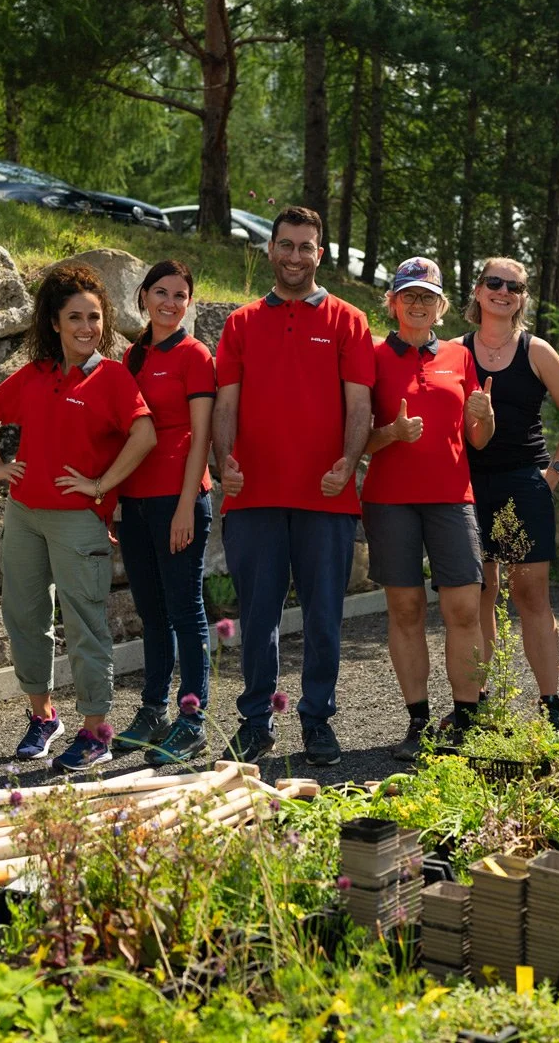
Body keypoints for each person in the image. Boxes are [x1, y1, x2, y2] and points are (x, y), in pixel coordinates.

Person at [0, 262, 155, 773]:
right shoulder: (36, 375)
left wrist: (100, 485)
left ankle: (97, 733)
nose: (86, 327)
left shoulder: (113, 378)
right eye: (75, 317)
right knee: (24, 618)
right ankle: (43, 717)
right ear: (55, 322)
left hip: (79, 519)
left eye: (94, 318)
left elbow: (145, 434)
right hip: (24, 514)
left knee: (85, 627)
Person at [212, 205, 374, 766]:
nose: (295, 256)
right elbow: (224, 405)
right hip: (252, 494)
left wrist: (348, 463)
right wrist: (223, 459)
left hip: (326, 496)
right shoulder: (241, 323)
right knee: (258, 618)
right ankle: (256, 722)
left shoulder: (349, 321)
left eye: (306, 247)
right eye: (286, 245)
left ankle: (317, 721)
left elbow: (360, 405)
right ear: (270, 249)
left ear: (320, 254)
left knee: (324, 616)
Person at [364, 257, 496, 760]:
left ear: (441, 306)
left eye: (427, 296)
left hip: (451, 498)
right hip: (390, 501)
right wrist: (391, 434)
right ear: (393, 302)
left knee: (464, 608)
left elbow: (477, 440)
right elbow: (358, 443)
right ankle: (418, 722)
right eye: (408, 295)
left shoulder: (462, 358)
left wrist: (484, 419)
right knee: (406, 609)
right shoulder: (373, 357)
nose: (418, 304)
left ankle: (467, 720)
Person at [457, 257, 559, 728]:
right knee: (478, 594)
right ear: (477, 290)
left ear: (523, 297)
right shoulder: (454, 351)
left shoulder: (537, 351)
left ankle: (550, 701)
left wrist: (552, 473)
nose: (503, 292)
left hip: (521, 483)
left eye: (514, 287)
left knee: (531, 594)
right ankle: (482, 698)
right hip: (467, 487)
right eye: (494, 283)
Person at [112, 260, 217, 766]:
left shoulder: (195, 356)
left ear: (189, 303)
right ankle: (152, 710)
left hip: (180, 501)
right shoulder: (131, 357)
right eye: (161, 292)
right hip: (134, 503)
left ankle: (192, 719)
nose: (170, 302)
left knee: (185, 611)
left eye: (180, 295)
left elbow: (201, 437)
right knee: (152, 615)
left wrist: (184, 508)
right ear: (143, 298)